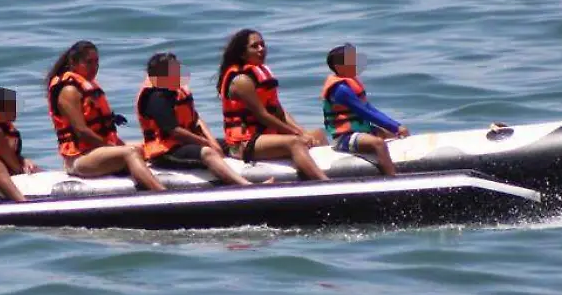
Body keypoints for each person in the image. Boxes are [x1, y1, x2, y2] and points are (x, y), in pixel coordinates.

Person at [46, 41, 166, 191]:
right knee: (129, 153)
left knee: (145, 148)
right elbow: (81, 132)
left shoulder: (87, 87)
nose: (94, 67)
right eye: (88, 62)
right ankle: (162, 193)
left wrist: (116, 145)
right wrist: (111, 147)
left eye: (96, 62)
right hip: (79, 159)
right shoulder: (69, 90)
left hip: (97, 151)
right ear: (73, 63)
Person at [216, 29, 329, 180]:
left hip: (266, 136)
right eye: (254, 46)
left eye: (262, 45)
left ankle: (322, 173)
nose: (261, 49)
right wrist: (296, 135)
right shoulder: (241, 81)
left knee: (318, 134)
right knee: (295, 143)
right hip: (243, 143)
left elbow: (278, 111)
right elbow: (262, 116)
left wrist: (301, 131)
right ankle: (324, 182)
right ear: (243, 54)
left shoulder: (260, 75)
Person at [136, 52, 252, 186]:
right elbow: (175, 131)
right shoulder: (155, 97)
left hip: (186, 143)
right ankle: (245, 185)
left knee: (232, 143)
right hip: (166, 151)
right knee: (207, 152)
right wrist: (206, 144)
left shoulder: (175, 90)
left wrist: (211, 140)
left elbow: (196, 119)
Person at [322, 44, 409, 176]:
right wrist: (395, 127)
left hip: (362, 131)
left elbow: (370, 108)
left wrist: (396, 127)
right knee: (378, 144)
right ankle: (393, 179)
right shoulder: (340, 89)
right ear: (339, 66)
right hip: (344, 137)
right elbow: (365, 112)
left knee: (392, 135)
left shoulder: (350, 83)